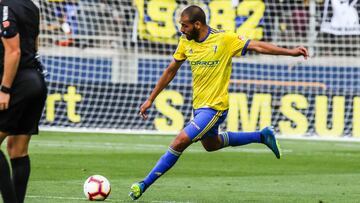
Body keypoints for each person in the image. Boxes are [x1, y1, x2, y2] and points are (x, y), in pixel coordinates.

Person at [129, 5, 308, 200]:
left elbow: (258, 45)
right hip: (198, 107)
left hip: (215, 108)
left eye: (185, 25)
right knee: (211, 145)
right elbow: (171, 70)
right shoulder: (185, 41)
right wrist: (150, 99)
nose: (181, 29)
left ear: (198, 24)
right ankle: (262, 136)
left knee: (180, 141)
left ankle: (143, 184)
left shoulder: (224, 39)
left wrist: (290, 52)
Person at [0, 0, 47, 203]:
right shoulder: (31, 7)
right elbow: (35, 44)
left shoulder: (5, 8)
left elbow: (13, 51)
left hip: (17, 83)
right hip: (35, 81)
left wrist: (5, 89)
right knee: (17, 150)